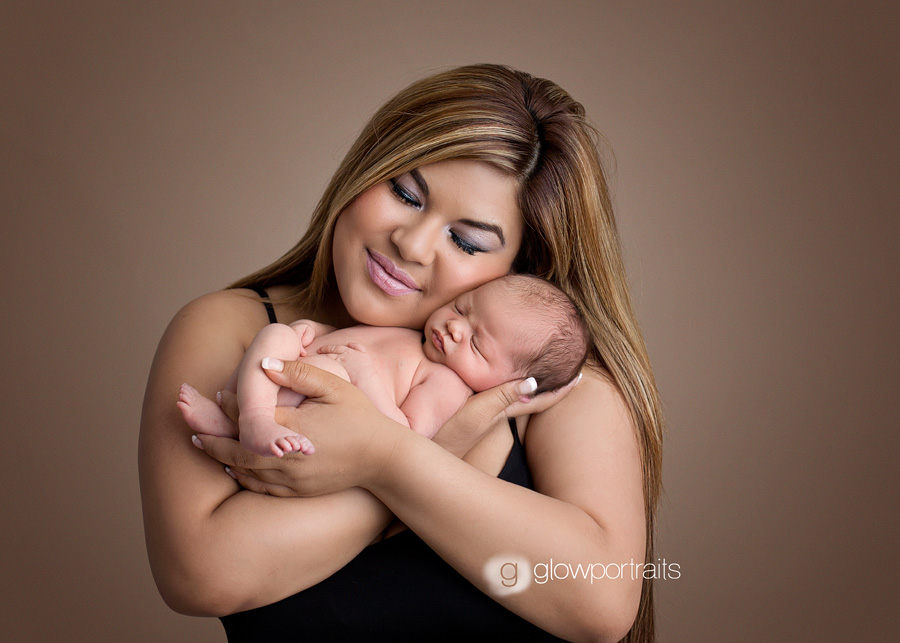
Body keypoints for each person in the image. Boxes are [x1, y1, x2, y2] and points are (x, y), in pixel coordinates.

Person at [139, 64, 663, 642]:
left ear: (519, 270)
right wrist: (430, 452)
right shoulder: (230, 328)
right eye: (405, 194)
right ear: (366, 168)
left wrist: (388, 457)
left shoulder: (548, 381)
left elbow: (603, 601)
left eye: (466, 241)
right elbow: (200, 574)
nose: (411, 245)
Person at [177, 275, 589, 458]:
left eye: (478, 343)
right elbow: (351, 340)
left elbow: (404, 437)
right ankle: (247, 416)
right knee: (277, 336)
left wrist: (364, 375)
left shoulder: (447, 385)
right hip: (294, 372)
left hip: (320, 407)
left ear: (509, 383)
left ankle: (247, 422)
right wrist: (313, 331)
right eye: (463, 307)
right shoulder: (415, 333)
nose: (455, 327)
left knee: (292, 359)